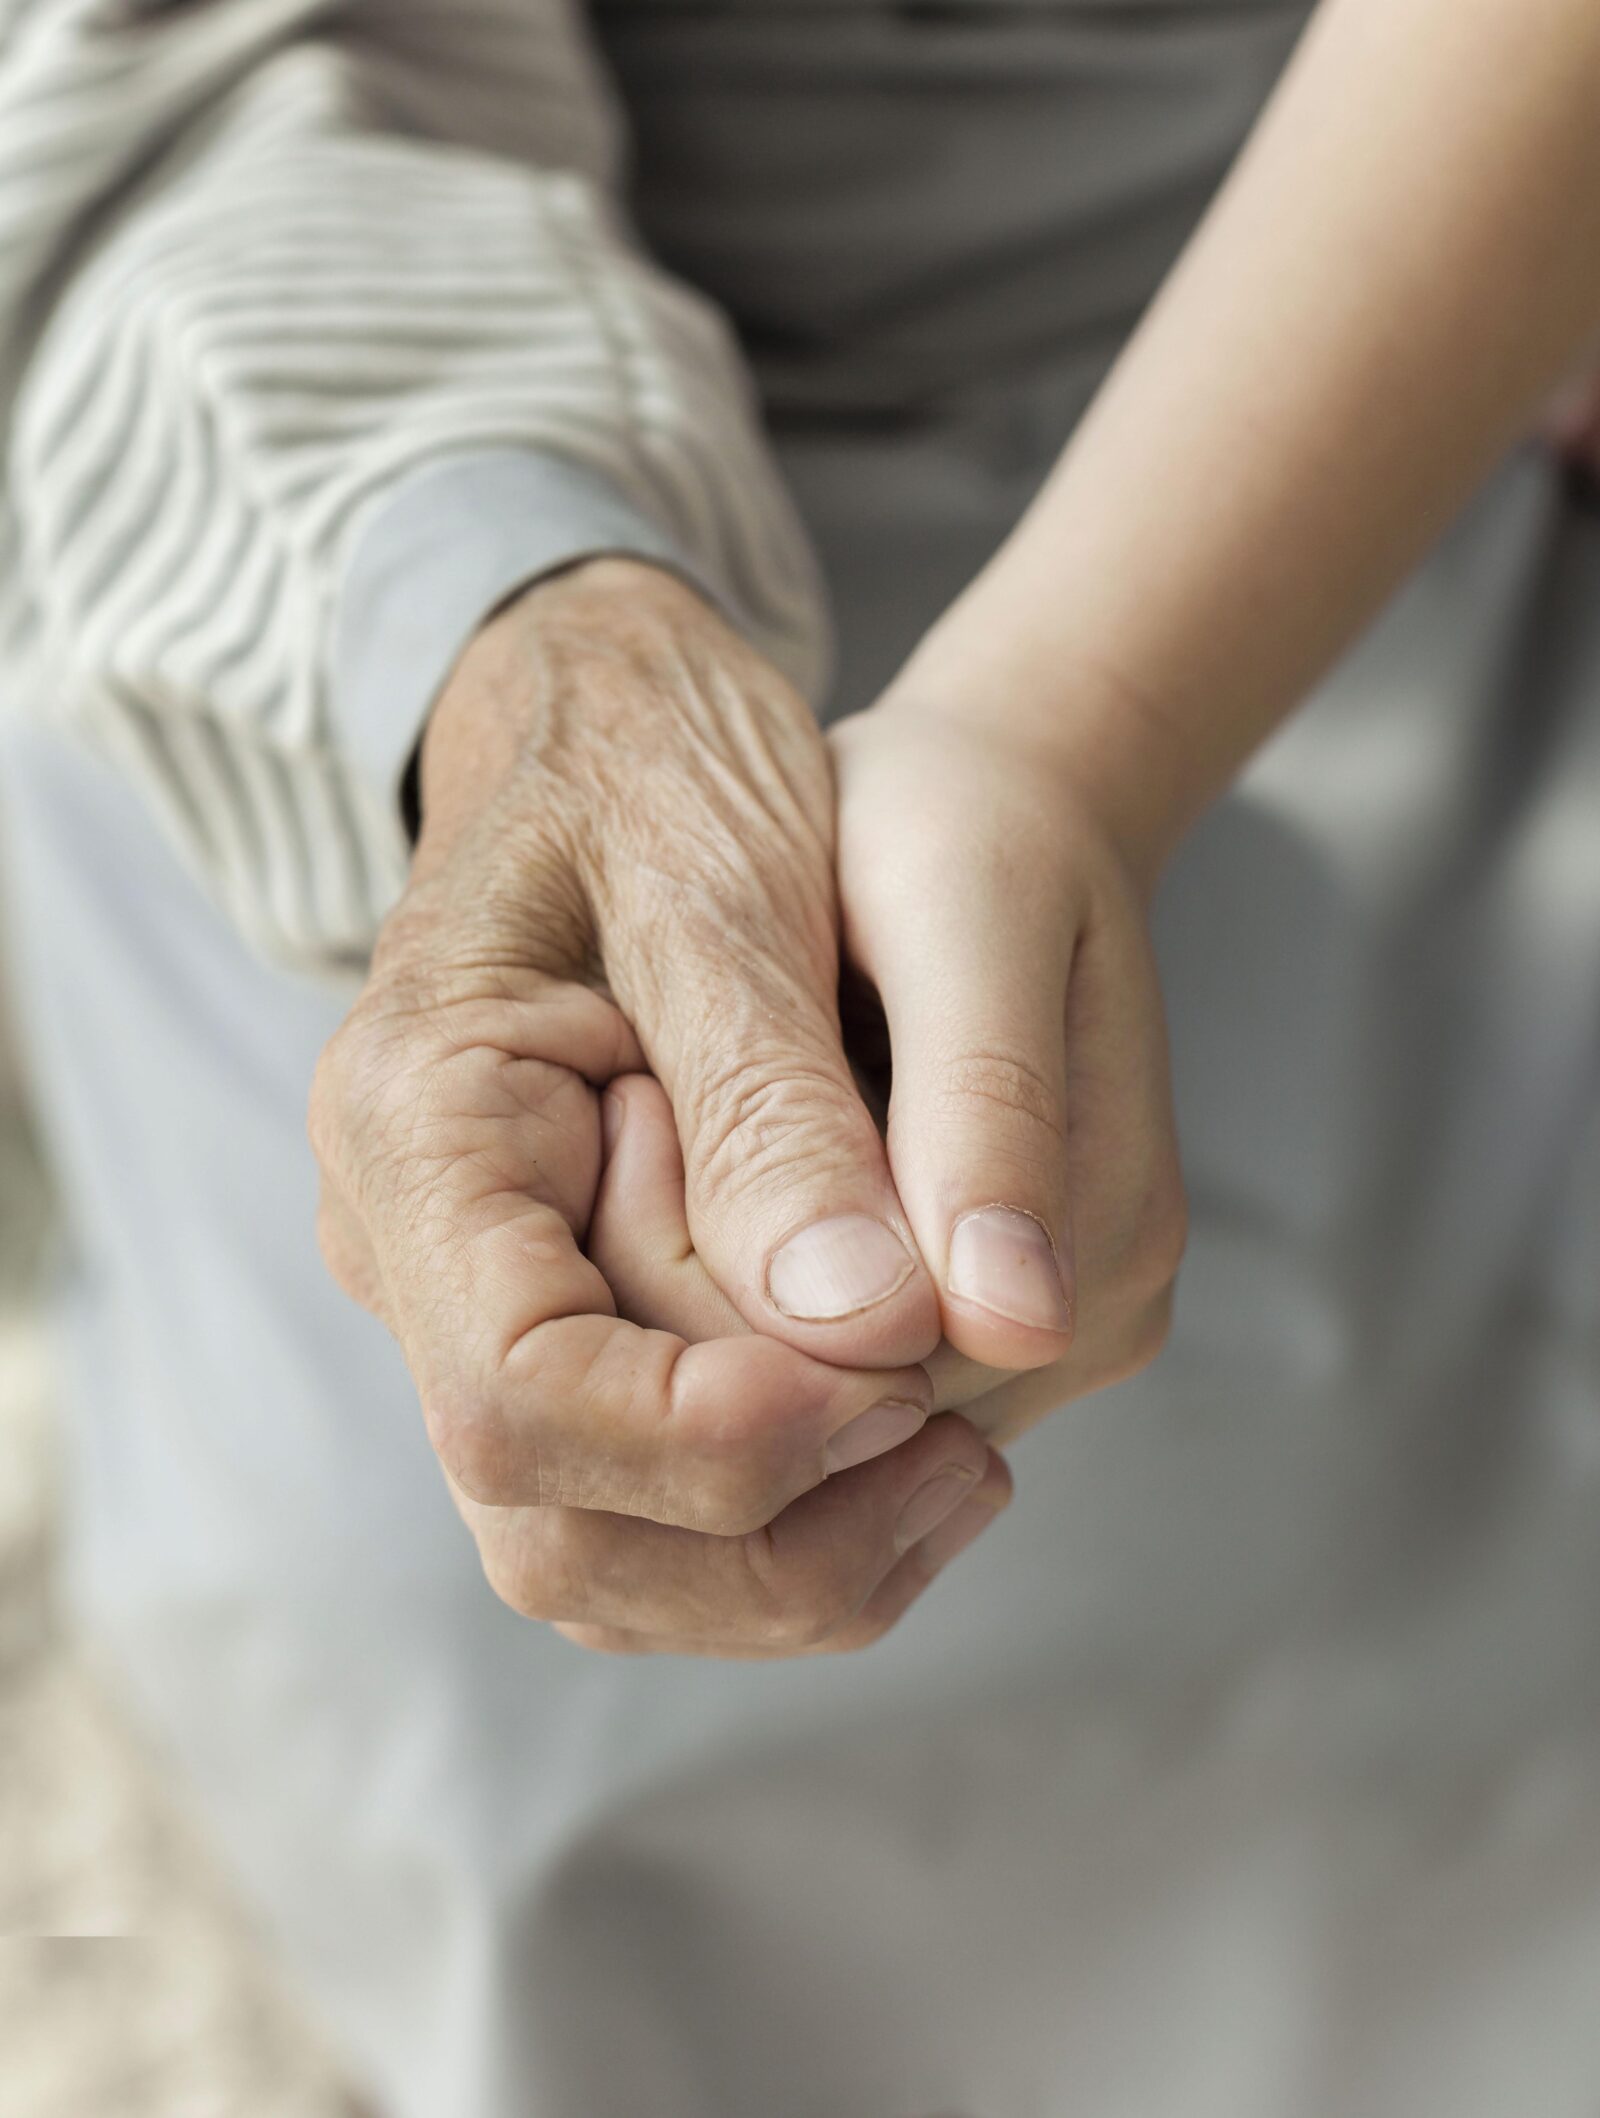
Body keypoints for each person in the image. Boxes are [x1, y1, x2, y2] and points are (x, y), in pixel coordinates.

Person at [2, 0, 1598, 2108]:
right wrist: (522, 638)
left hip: (1363, 298)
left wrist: (1065, 730)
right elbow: (180, 85)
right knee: (459, 1545)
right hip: (358, 420)